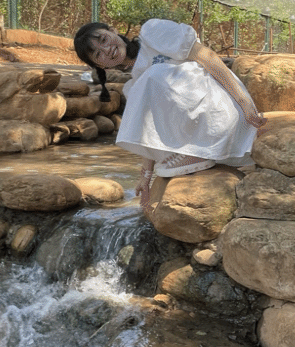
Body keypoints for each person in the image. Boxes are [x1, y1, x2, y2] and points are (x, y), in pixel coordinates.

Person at [73, 19, 267, 211]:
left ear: (113, 30)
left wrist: (245, 104)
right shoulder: (136, 83)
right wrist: (146, 176)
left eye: (103, 40)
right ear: (101, 67)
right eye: (98, 54)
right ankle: (190, 152)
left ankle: (191, 153)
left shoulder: (153, 32)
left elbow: (208, 57)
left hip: (222, 115)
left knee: (152, 76)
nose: (106, 50)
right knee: (135, 89)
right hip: (210, 141)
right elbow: (150, 128)